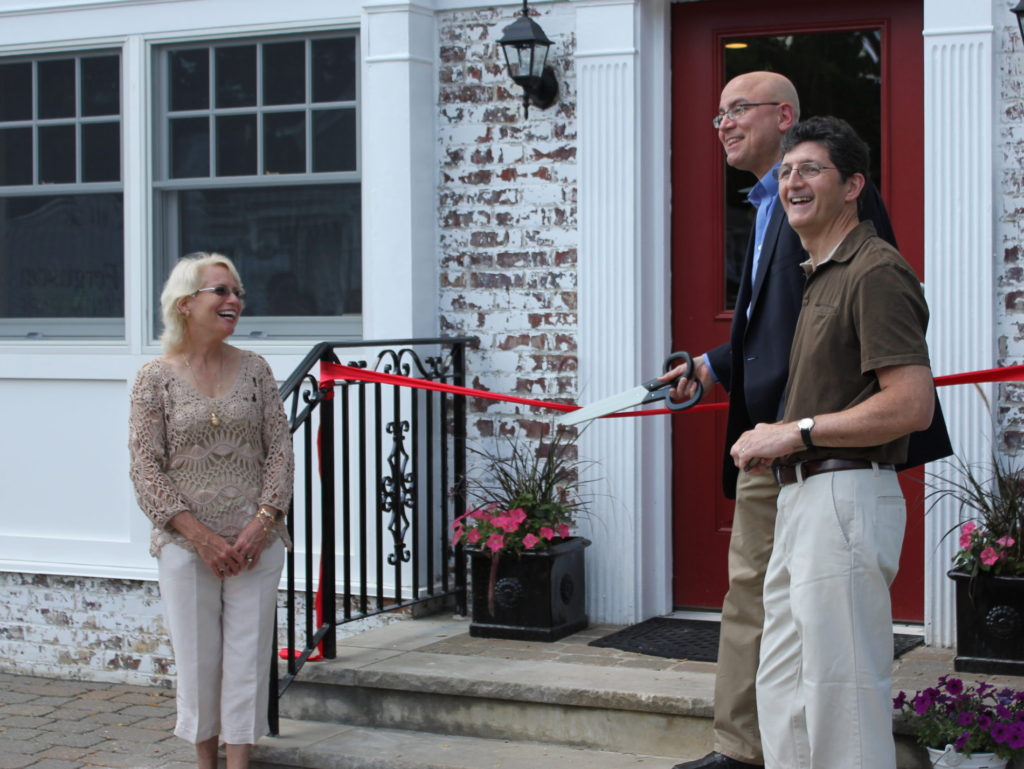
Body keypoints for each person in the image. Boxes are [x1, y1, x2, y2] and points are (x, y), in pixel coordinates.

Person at [666, 72, 898, 769]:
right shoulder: (767, 206)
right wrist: (711, 365)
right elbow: (774, 323)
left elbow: (856, 316)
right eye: (716, 115)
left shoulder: (844, 213)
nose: (723, 125)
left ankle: (751, 751)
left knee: (825, 644)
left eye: (737, 110)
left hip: (819, 451)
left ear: (784, 115)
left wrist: (802, 430)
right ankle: (741, 748)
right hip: (769, 442)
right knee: (753, 599)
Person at [729, 116, 935, 769]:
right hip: (801, 495)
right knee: (785, 690)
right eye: (786, 171)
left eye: (810, 169)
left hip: (845, 495)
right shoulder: (819, 271)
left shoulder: (875, 270)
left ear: (853, 185)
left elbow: (911, 403)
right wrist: (785, 441)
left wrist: (799, 431)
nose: (793, 181)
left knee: (841, 699)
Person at [129, 252, 294, 769]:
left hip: (255, 544)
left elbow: (281, 452)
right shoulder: (154, 378)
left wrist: (263, 522)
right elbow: (145, 466)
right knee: (199, 661)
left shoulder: (256, 370)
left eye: (237, 292)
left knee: (248, 659)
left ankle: (240, 762)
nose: (234, 301)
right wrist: (200, 536)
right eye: (220, 291)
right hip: (187, 546)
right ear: (185, 304)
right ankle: (205, 762)